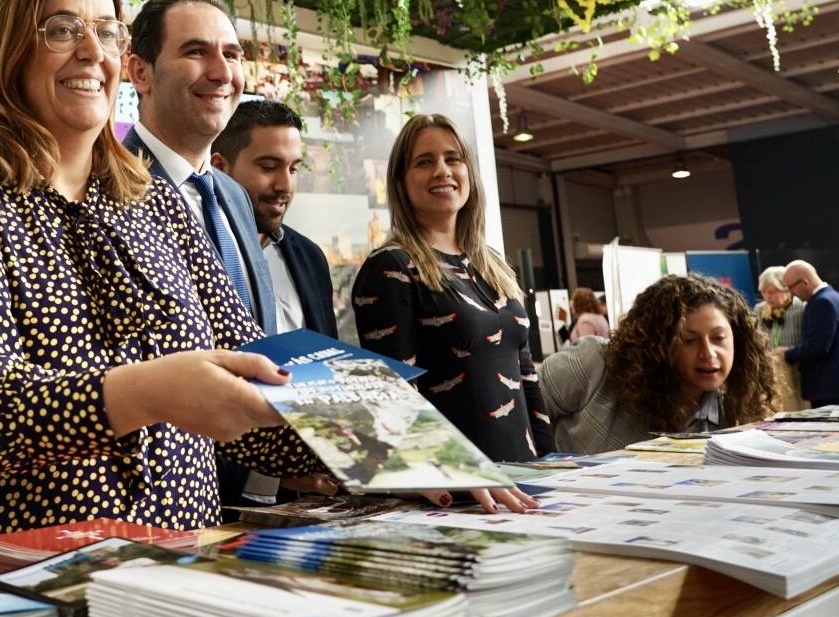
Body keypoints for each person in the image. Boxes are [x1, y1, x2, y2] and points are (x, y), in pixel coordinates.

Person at [0, 0, 321, 575]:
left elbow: (258, 377)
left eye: (107, 32)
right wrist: (151, 390)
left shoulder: (155, 202)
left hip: (163, 568)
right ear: (10, 53)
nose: (92, 52)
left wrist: (407, 462)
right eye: (61, 30)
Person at [353, 113, 554, 467]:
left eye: (453, 158)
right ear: (401, 182)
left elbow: (527, 378)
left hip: (526, 475)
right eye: (424, 162)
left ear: (468, 173)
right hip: (463, 487)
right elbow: (396, 395)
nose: (442, 170)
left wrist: (553, 463)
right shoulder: (392, 267)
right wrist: (454, 483)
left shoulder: (492, 263)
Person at [121, 0, 277, 335]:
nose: (222, 73)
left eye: (232, 55)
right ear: (141, 73)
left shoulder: (235, 195)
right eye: (196, 52)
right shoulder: (104, 189)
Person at [541, 274, 781, 454]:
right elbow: (509, 415)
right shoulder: (594, 364)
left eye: (719, 338)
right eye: (689, 340)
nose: (708, 354)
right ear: (656, 344)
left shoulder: (733, 411)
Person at [212, 99, 338, 339]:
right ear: (219, 168)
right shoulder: (194, 251)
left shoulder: (310, 257)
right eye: (269, 167)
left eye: (293, 169)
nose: (286, 186)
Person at [781, 259, 839, 406]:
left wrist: (786, 353)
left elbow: (818, 346)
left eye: (791, 288)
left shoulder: (823, 302)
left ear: (805, 283)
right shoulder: (833, 297)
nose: (792, 294)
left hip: (833, 387)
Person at [754, 265, 806, 410]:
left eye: (772, 292)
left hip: (796, 368)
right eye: (763, 292)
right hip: (772, 369)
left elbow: (807, 342)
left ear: (786, 289)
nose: (767, 297)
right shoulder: (759, 309)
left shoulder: (800, 307)